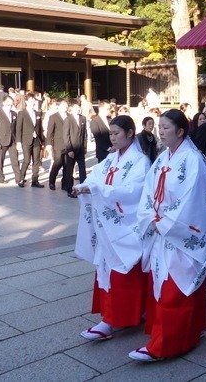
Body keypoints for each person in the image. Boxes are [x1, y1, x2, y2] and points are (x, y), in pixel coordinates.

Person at [131, 109, 206, 362]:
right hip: (163, 228)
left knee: (176, 285)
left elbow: (193, 200)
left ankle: (166, 344)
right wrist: (151, 216)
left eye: (166, 127)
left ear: (181, 131)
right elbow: (148, 192)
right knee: (169, 283)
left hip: (181, 229)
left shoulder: (192, 160)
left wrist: (162, 220)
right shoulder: (163, 158)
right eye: (159, 127)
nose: (160, 131)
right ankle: (186, 333)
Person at [73, 115, 151, 343]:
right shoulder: (110, 159)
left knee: (125, 270)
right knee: (108, 268)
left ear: (130, 133)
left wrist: (99, 190)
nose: (113, 137)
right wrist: (84, 187)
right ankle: (111, 316)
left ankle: (115, 318)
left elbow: (133, 192)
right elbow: (96, 177)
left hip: (125, 224)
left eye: (117, 133)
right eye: (111, 133)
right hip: (107, 225)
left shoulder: (140, 161)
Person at [16, 92, 44, 188]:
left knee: (36, 161)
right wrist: (18, 142)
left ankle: (35, 180)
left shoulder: (37, 113)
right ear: (27, 101)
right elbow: (18, 128)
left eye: (34, 101)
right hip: (26, 139)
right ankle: (21, 178)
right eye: (31, 100)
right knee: (26, 160)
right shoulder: (22, 113)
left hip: (36, 140)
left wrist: (42, 141)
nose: (33, 102)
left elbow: (40, 128)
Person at [0, 95, 21, 184]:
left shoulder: (14, 114)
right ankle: (1, 177)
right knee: (0, 160)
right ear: (4, 103)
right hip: (2, 140)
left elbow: (16, 128)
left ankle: (18, 178)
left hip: (12, 140)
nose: (10, 106)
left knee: (15, 160)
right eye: (8, 104)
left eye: (11, 105)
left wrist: (18, 141)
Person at [62, 99, 87, 198]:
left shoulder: (83, 118)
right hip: (71, 149)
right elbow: (66, 136)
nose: (78, 109)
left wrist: (85, 146)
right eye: (76, 107)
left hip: (80, 148)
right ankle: (69, 189)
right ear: (71, 108)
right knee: (69, 170)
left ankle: (83, 187)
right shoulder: (68, 120)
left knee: (82, 169)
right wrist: (69, 150)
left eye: (79, 107)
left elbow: (84, 134)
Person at [46, 99, 69, 191]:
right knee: (57, 163)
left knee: (67, 165)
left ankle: (65, 184)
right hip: (58, 144)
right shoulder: (53, 117)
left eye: (66, 104)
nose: (66, 106)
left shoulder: (69, 116)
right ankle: (52, 182)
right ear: (58, 106)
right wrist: (48, 143)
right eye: (63, 105)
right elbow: (49, 132)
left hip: (68, 144)